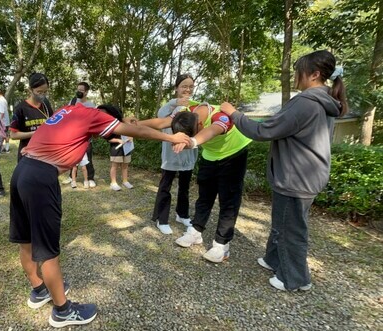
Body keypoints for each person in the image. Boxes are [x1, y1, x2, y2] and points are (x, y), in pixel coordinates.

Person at [10, 103, 191, 328]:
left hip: (22, 169)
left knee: (25, 238)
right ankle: (62, 311)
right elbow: (137, 130)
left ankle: (39, 290)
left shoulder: (70, 110)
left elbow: (140, 125)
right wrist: (173, 138)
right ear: (107, 117)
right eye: (112, 126)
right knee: (47, 250)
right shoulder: (93, 115)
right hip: (41, 177)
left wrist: (170, 121)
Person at [219, 50, 346, 291]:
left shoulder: (307, 102)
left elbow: (263, 131)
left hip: (297, 176)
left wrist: (233, 113)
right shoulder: (325, 101)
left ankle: (296, 279)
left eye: (300, 71)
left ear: (315, 74)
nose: (296, 76)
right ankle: (273, 259)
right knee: (282, 220)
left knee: (292, 229)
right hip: (306, 173)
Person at [138, 98, 252, 263]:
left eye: (193, 133)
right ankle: (196, 231)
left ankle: (222, 245)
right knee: (204, 195)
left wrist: (191, 142)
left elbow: (212, 131)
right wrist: (136, 123)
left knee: (229, 200)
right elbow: (162, 122)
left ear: (199, 125)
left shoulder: (220, 116)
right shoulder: (187, 112)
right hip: (211, 155)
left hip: (233, 153)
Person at [152, 74, 199, 235]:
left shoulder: (195, 107)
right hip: (171, 155)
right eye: (184, 86)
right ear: (176, 88)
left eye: (190, 86)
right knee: (165, 186)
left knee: (185, 187)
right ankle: (161, 219)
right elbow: (160, 118)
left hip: (188, 155)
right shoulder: (169, 106)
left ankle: (182, 214)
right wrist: (175, 103)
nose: (187, 89)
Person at [10, 72, 54, 161]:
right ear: (30, 89)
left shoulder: (46, 105)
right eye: (39, 92)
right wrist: (34, 133)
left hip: (45, 155)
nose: (42, 95)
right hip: (27, 156)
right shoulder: (20, 108)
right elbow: (13, 135)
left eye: (45, 92)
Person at [63, 81, 98, 187]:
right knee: (73, 158)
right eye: (78, 90)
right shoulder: (73, 101)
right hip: (74, 136)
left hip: (86, 137)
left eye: (81, 90)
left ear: (86, 92)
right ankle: (71, 177)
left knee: (88, 158)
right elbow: (67, 115)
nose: (79, 92)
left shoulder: (91, 105)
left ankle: (90, 178)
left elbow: (94, 121)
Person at [0, 87, 11, 153]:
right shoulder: (4, 99)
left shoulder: (0, 100)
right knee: (6, 135)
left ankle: (0, 149)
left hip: (3, 121)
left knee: (1, 135)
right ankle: (7, 148)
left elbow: (1, 112)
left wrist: (0, 121)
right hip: (6, 121)